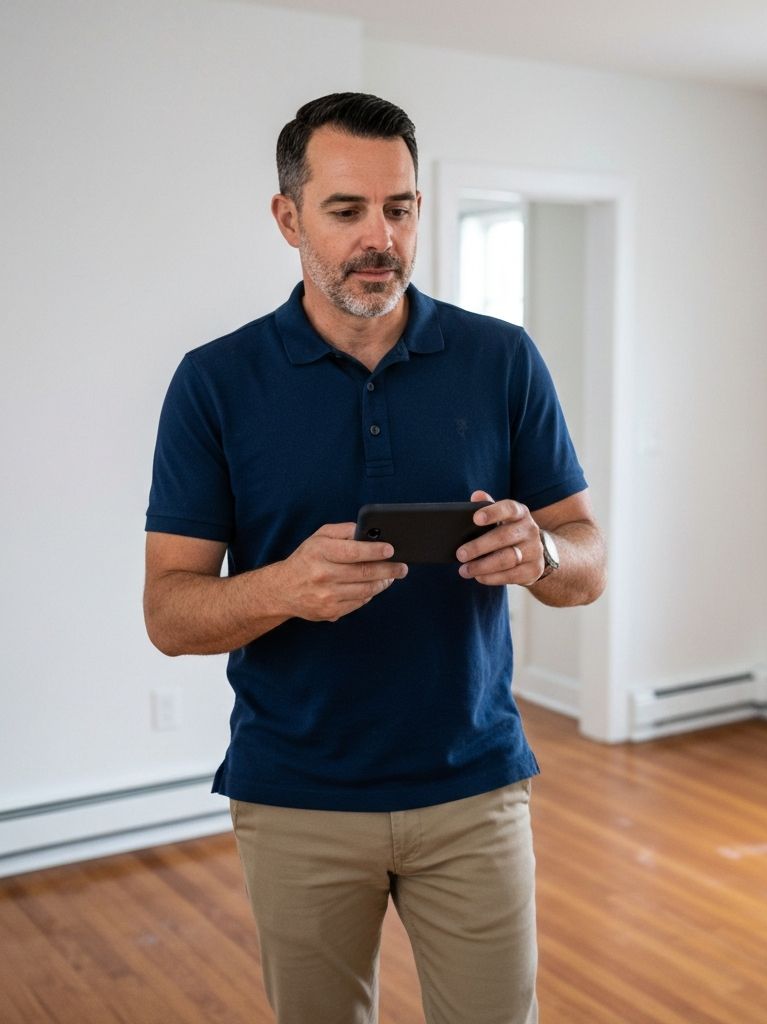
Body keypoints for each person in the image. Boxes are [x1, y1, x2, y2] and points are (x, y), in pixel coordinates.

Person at [143, 92, 606, 1024]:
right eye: (346, 209)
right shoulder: (214, 382)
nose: (379, 237)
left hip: (475, 786)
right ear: (289, 218)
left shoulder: (502, 359)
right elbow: (168, 614)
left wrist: (542, 552)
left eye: (398, 208)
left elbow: (588, 561)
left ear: (420, 209)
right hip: (296, 796)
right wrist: (283, 588)